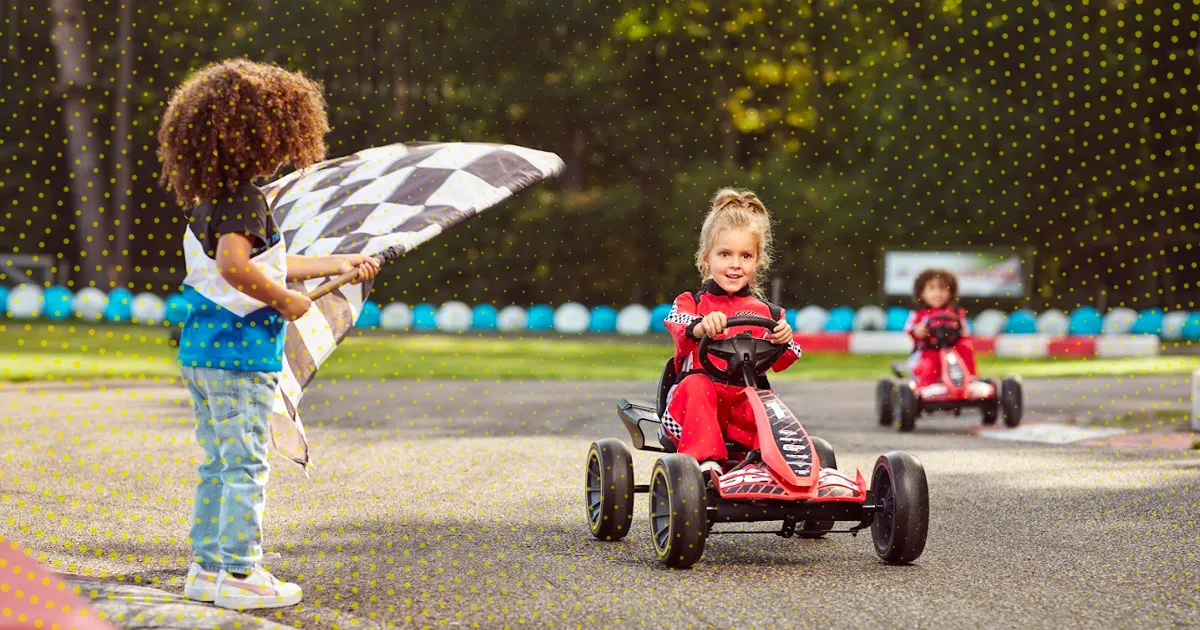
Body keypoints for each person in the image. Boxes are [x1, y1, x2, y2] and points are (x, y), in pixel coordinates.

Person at [157, 58, 380, 611]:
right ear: (261, 134)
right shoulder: (243, 201)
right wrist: (284, 301)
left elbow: (270, 261)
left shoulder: (212, 197)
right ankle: (240, 573)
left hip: (205, 354)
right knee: (245, 466)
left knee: (220, 464)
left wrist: (341, 261)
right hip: (240, 357)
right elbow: (238, 267)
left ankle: (208, 570)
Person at [660, 188, 802, 477]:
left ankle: (789, 467)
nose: (735, 264)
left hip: (740, 403)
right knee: (699, 385)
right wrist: (700, 327)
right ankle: (705, 463)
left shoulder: (769, 313)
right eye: (725, 254)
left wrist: (783, 338)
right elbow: (678, 325)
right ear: (706, 258)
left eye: (745, 255)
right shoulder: (691, 303)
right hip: (690, 410)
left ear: (757, 261)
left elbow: (784, 361)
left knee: (765, 401)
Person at [902, 268, 978, 387]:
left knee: (966, 346)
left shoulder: (956, 312)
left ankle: (969, 379)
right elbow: (910, 329)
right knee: (929, 363)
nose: (938, 294)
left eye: (942, 289)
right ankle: (927, 385)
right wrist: (918, 330)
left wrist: (958, 332)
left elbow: (965, 331)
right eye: (931, 288)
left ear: (951, 292)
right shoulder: (919, 314)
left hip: (953, 347)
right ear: (921, 293)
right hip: (929, 347)